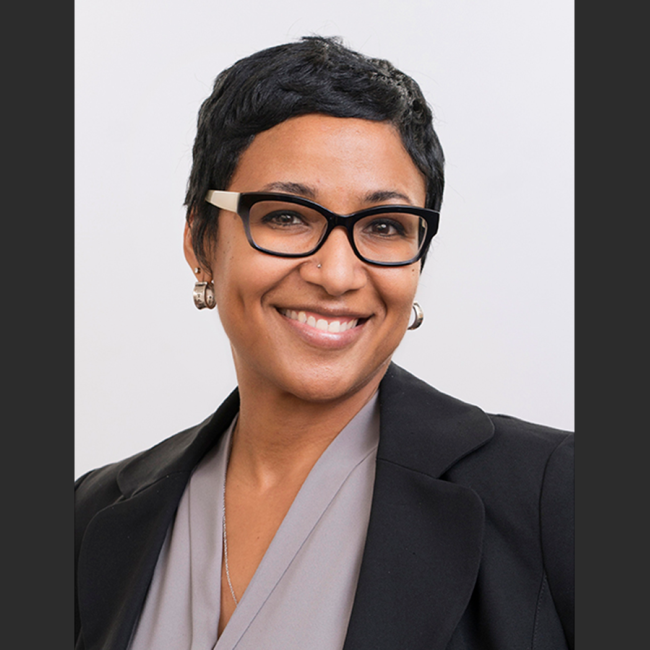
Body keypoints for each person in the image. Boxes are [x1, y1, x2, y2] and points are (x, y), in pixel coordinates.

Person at [74, 36, 574, 650]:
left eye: (385, 226)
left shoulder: (558, 494)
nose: (337, 274)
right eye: (287, 215)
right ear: (201, 243)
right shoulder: (90, 515)